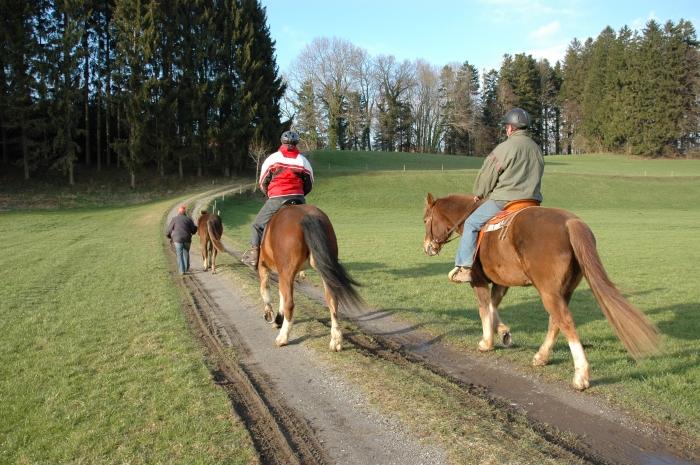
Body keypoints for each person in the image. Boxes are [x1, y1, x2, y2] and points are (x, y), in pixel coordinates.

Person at [448, 107, 544, 283]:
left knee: (471, 223)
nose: (506, 129)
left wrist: (479, 192)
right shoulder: (536, 149)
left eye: (507, 126)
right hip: (531, 202)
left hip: (505, 201)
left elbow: (489, 173)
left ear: (511, 128)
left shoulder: (505, 147)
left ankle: (465, 268)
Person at [241, 130, 314, 266]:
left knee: (257, 225)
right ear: (296, 144)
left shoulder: (273, 158)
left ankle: (254, 256)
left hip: (277, 198)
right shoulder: (303, 161)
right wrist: (300, 194)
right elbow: (309, 183)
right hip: (298, 198)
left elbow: (263, 181)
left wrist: (269, 194)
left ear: (282, 142)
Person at [166, 205, 198, 275]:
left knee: (179, 255)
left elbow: (168, 230)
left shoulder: (174, 219)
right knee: (186, 252)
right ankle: (186, 268)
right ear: (185, 212)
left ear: (179, 212)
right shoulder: (188, 219)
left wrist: (168, 236)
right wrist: (194, 229)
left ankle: (182, 270)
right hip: (187, 239)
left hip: (177, 240)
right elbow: (193, 230)